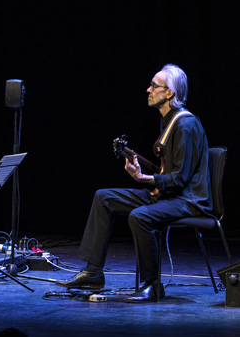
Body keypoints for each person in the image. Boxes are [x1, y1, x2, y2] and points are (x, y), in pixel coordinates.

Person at [57, 64, 211, 303]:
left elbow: (180, 179)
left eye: (154, 85)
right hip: (169, 195)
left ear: (170, 93)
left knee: (140, 216)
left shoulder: (185, 125)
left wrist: (144, 178)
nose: (148, 89)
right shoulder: (168, 122)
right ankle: (93, 272)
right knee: (103, 197)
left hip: (188, 200)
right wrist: (142, 168)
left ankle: (152, 285)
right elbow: (166, 171)